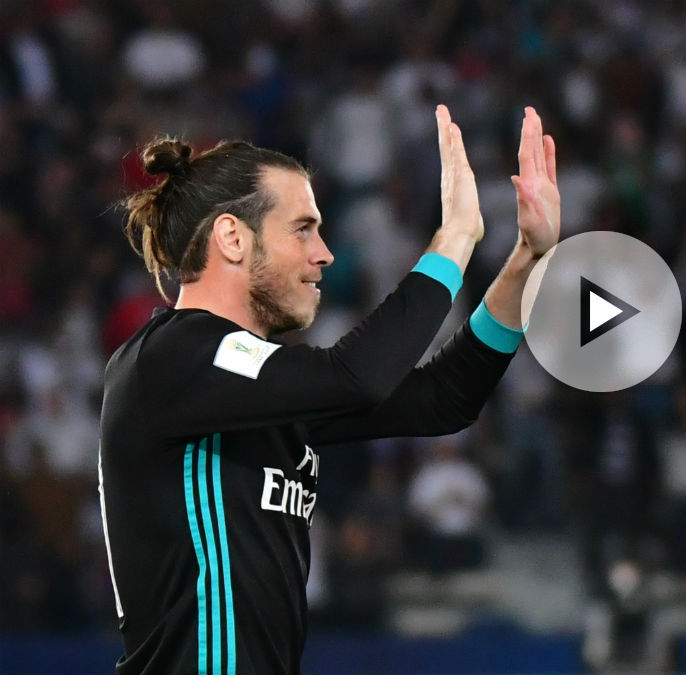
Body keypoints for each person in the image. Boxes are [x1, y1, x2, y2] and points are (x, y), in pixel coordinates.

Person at [98, 105, 561, 674]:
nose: (325, 254)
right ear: (232, 238)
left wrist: (526, 259)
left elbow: (445, 397)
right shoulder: (171, 358)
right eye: (303, 229)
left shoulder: (257, 385)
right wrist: (456, 237)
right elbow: (358, 377)